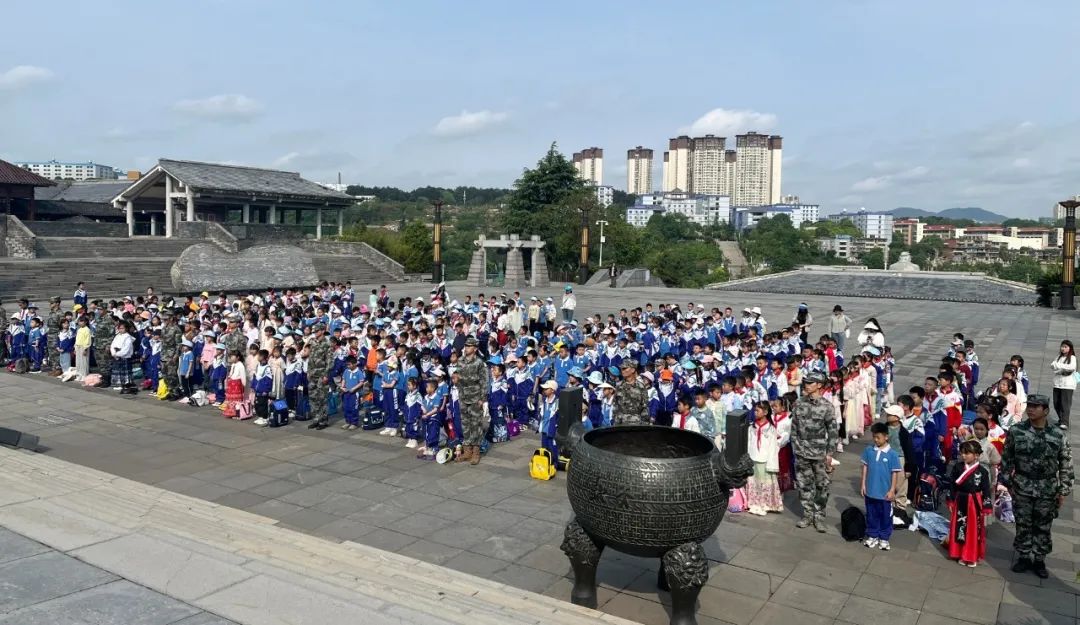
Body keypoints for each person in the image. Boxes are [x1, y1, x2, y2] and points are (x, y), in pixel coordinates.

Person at [1001, 394, 1074, 578]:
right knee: (1023, 522)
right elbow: (1007, 459)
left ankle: (1039, 559)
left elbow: (1065, 462)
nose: (1031, 409)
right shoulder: (1017, 431)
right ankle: (1024, 556)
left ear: (1046, 410)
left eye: (1036, 406)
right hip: (1022, 485)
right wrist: (1007, 482)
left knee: (1043, 524)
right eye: (1030, 405)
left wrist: (1063, 490)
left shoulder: (1057, 435)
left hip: (1047, 487)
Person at [791, 371, 837, 531]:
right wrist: (796, 448)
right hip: (802, 453)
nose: (806, 385)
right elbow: (794, 429)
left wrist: (830, 454)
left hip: (819, 454)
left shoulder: (827, 407)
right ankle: (807, 515)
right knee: (804, 485)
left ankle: (819, 517)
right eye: (805, 382)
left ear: (819, 385)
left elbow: (832, 432)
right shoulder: (799, 404)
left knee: (821, 486)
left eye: (810, 383)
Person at [946, 440, 993, 567]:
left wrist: (986, 505)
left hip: (974, 503)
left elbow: (986, 489)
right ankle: (959, 553)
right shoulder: (957, 467)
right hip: (960, 499)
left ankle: (971, 556)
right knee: (959, 527)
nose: (964, 456)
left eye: (967, 453)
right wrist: (950, 500)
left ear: (977, 455)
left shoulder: (982, 471)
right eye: (962, 453)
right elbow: (951, 485)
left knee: (973, 530)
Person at [861, 422, 902, 551]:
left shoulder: (892, 455)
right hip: (871, 490)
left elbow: (894, 473)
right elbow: (865, 467)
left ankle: (884, 537)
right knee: (871, 514)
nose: (875, 440)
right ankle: (872, 535)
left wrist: (892, 490)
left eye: (878, 437)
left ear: (886, 437)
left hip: (885, 493)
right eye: (874, 437)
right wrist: (863, 484)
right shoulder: (869, 450)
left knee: (885, 515)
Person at [456, 336, 489, 465]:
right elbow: (458, 378)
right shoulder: (460, 360)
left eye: (469, 346)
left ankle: (476, 451)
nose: (466, 348)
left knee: (476, 425)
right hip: (463, 397)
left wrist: (482, 398)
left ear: (475, 349)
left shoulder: (479, 363)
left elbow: (484, 381)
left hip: (475, 398)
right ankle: (467, 450)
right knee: (465, 424)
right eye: (465, 346)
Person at [747, 401, 782, 515]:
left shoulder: (771, 429)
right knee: (753, 482)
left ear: (766, 412)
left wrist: (772, 463)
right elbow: (748, 443)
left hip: (765, 460)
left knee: (763, 483)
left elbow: (773, 448)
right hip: (753, 458)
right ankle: (753, 502)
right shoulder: (751, 426)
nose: (755, 412)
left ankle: (764, 503)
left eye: (757, 410)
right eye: (755, 410)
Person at [1049, 340, 1076, 430]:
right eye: (1062, 346)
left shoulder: (1072, 358)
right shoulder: (1058, 357)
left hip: (1067, 384)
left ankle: (1065, 422)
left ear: (1070, 348)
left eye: (1065, 347)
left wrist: (1059, 366)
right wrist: (1060, 367)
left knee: (1065, 404)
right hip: (1057, 383)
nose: (1063, 348)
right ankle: (1061, 419)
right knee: (1056, 403)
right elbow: (1052, 366)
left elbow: (1071, 367)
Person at [613, 360, 649, 425]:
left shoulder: (641, 387)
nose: (622, 371)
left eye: (624, 368)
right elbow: (615, 406)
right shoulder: (619, 386)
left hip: (636, 424)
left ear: (632, 370)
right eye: (621, 369)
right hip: (621, 423)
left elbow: (644, 407)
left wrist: (645, 426)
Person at [73, 315, 92, 381]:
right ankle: (79, 374)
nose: (80, 323)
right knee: (78, 362)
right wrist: (75, 348)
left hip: (83, 347)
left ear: (86, 322)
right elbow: (77, 339)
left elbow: (88, 340)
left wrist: (85, 349)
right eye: (79, 321)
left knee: (84, 362)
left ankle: (84, 375)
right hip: (78, 346)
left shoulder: (87, 330)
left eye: (82, 321)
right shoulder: (79, 329)